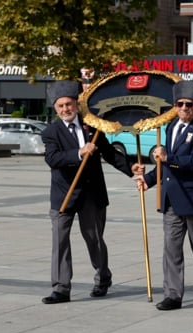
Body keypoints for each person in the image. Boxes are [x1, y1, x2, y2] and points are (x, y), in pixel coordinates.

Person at [40, 80, 141, 304]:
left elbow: (109, 153)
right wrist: (79, 152)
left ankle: (103, 278)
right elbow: (53, 159)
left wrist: (130, 169)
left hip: (91, 196)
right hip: (63, 196)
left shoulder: (92, 127)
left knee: (94, 239)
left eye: (69, 104)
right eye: (61, 106)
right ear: (55, 109)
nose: (66, 109)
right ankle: (60, 288)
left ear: (76, 104)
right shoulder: (50, 132)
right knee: (60, 242)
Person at [134, 81, 193, 310]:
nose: (184, 108)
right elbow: (166, 168)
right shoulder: (170, 127)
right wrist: (149, 180)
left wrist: (167, 157)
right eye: (180, 104)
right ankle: (173, 294)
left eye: (189, 104)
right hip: (171, 199)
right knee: (171, 249)